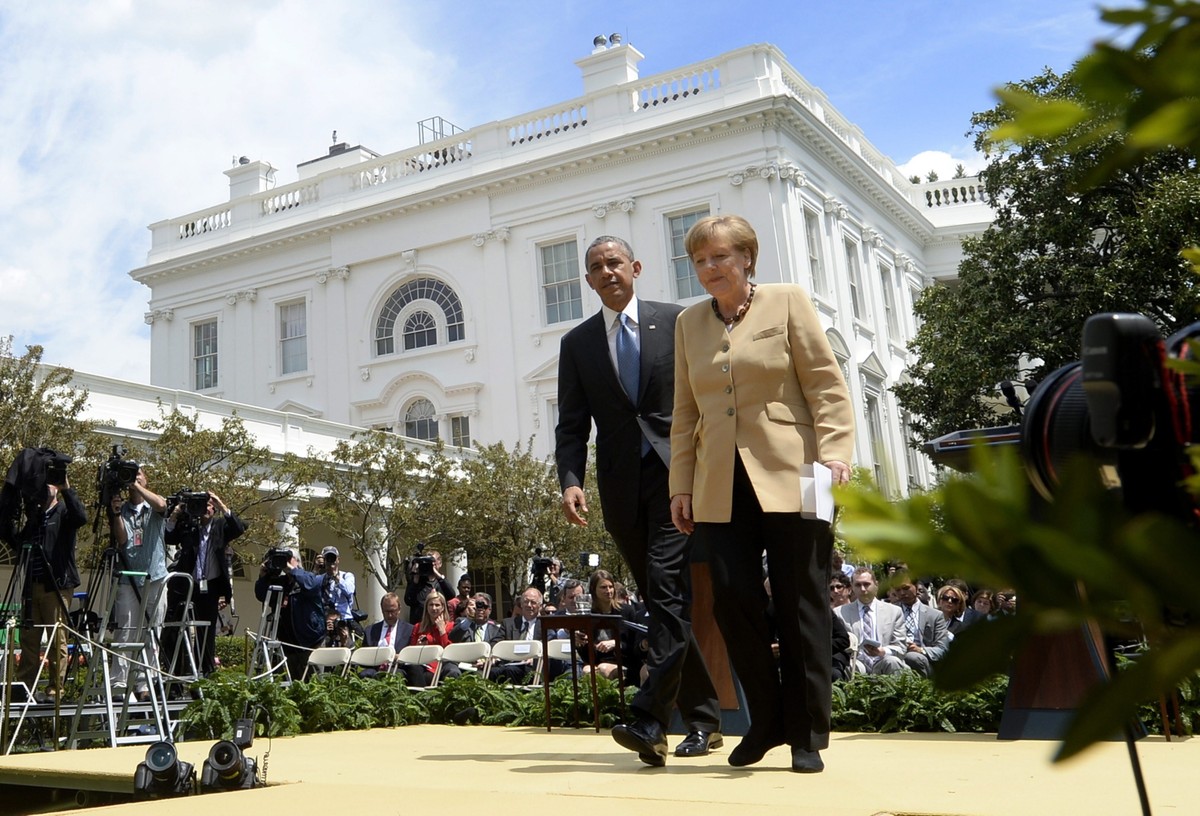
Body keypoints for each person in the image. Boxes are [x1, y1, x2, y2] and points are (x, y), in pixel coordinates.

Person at [669, 215, 854, 774]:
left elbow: (825, 383)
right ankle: (767, 719)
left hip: (800, 471)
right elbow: (684, 413)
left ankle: (806, 734)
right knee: (731, 598)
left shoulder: (787, 300)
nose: (709, 269)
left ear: (747, 258)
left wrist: (836, 450)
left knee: (804, 601)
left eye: (720, 257)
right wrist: (681, 484)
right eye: (700, 260)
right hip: (718, 482)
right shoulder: (688, 324)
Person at [556, 234, 722, 767]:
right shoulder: (577, 343)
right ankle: (705, 719)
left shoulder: (676, 321)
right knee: (661, 602)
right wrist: (570, 479)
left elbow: (704, 393)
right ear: (588, 281)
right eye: (596, 267)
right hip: (623, 487)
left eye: (614, 263)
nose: (607, 272)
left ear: (636, 267)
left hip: (679, 480)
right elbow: (572, 424)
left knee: (667, 589)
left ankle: (651, 718)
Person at [15, 469, 87, 703]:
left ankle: (56, 690)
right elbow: (19, 542)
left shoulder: (64, 511)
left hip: (56, 585)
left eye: (50, 484)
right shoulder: (35, 516)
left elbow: (80, 517)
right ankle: (25, 689)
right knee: (28, 639)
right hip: (31, 585)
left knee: (57, 638)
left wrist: (67, 488)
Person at [165, 490, 245, 675]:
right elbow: (169, 536)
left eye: (209, 505)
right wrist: (176, 514)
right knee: (178, 630)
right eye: (203, 505)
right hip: (188, 585)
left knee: (206, 633)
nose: (206, 509)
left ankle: (206, 674)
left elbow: (238, 528)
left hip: (211, 587)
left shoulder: (220, 526)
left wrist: (220, 503)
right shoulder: (190, 526)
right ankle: (178, 676)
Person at [107, 467, 169, 701]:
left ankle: (146, 683)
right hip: (128, 577)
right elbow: (122, 540)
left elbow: (162, 505)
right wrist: (114, 514)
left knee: (152, 631)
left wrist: (137, 487)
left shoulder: (153, 508)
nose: (134, 477)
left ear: (146, 479)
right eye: (131, 475)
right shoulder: (121, 508)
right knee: (125, 631)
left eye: (139, 474)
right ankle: (119, 683)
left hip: (155, 577)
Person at [254, 548, 325, 680]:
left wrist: (290, 569)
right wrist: (263, 576)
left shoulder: (310, 578)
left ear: (297, 561)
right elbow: (261, 595)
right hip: (286, 645)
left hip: (309, 644)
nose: (283, 562)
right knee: (287, 688)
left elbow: (310, 585)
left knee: (314, 686)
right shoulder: (280, 583)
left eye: (287, 558)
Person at [838, 568, 908, 677]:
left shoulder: (894, 612)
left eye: (866, 584)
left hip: (884, 660)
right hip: (856, 662)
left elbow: (901, 648)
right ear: (852, 587)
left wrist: (883, 651)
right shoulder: (840, 613)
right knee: (850, 666)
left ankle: (897, 694)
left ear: (876, 585)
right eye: (858, 585)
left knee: (893, 661)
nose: (862, 589)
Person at [894, 576, 950, 677]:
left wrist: (920, 650)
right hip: (894, 655)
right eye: (898, 590)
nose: (902, 593)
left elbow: (943, 650)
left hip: (922, 659)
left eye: (906, 588)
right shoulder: (889, 611)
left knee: (913, 657)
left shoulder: (935, 615)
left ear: (916, 588)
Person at [398, 591, 455, 687]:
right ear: (426, 608)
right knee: (409, 669)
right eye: (431, 605)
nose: (434, 608)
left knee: (420, 673)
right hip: (419, 664)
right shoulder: (418, 627)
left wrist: (442, 631)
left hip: (437, 667)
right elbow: (411, 651)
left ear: (443, 607)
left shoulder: (450, 626)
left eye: (437, 605)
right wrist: (418, 646)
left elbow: (449, 651)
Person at [403, 548, 454, 624]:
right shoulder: (417, 582)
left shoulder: (441, 582)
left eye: (433, 561)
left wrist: (437, 574)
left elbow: (451, 595)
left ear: (440, 563)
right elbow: (408, 600)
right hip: (420, 625)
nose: (429, 564)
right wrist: (416, 578)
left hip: (439, 625)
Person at [317, 545, 357, 628]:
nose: (330, 561)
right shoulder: (319, 578)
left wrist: (335, 576)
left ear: (338, 560)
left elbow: (349, 591)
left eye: (333, 558)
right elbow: (310, 588)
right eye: (327, 558)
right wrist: (316, 569)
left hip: (344, 620)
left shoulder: (347, 576)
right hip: (325, 620)